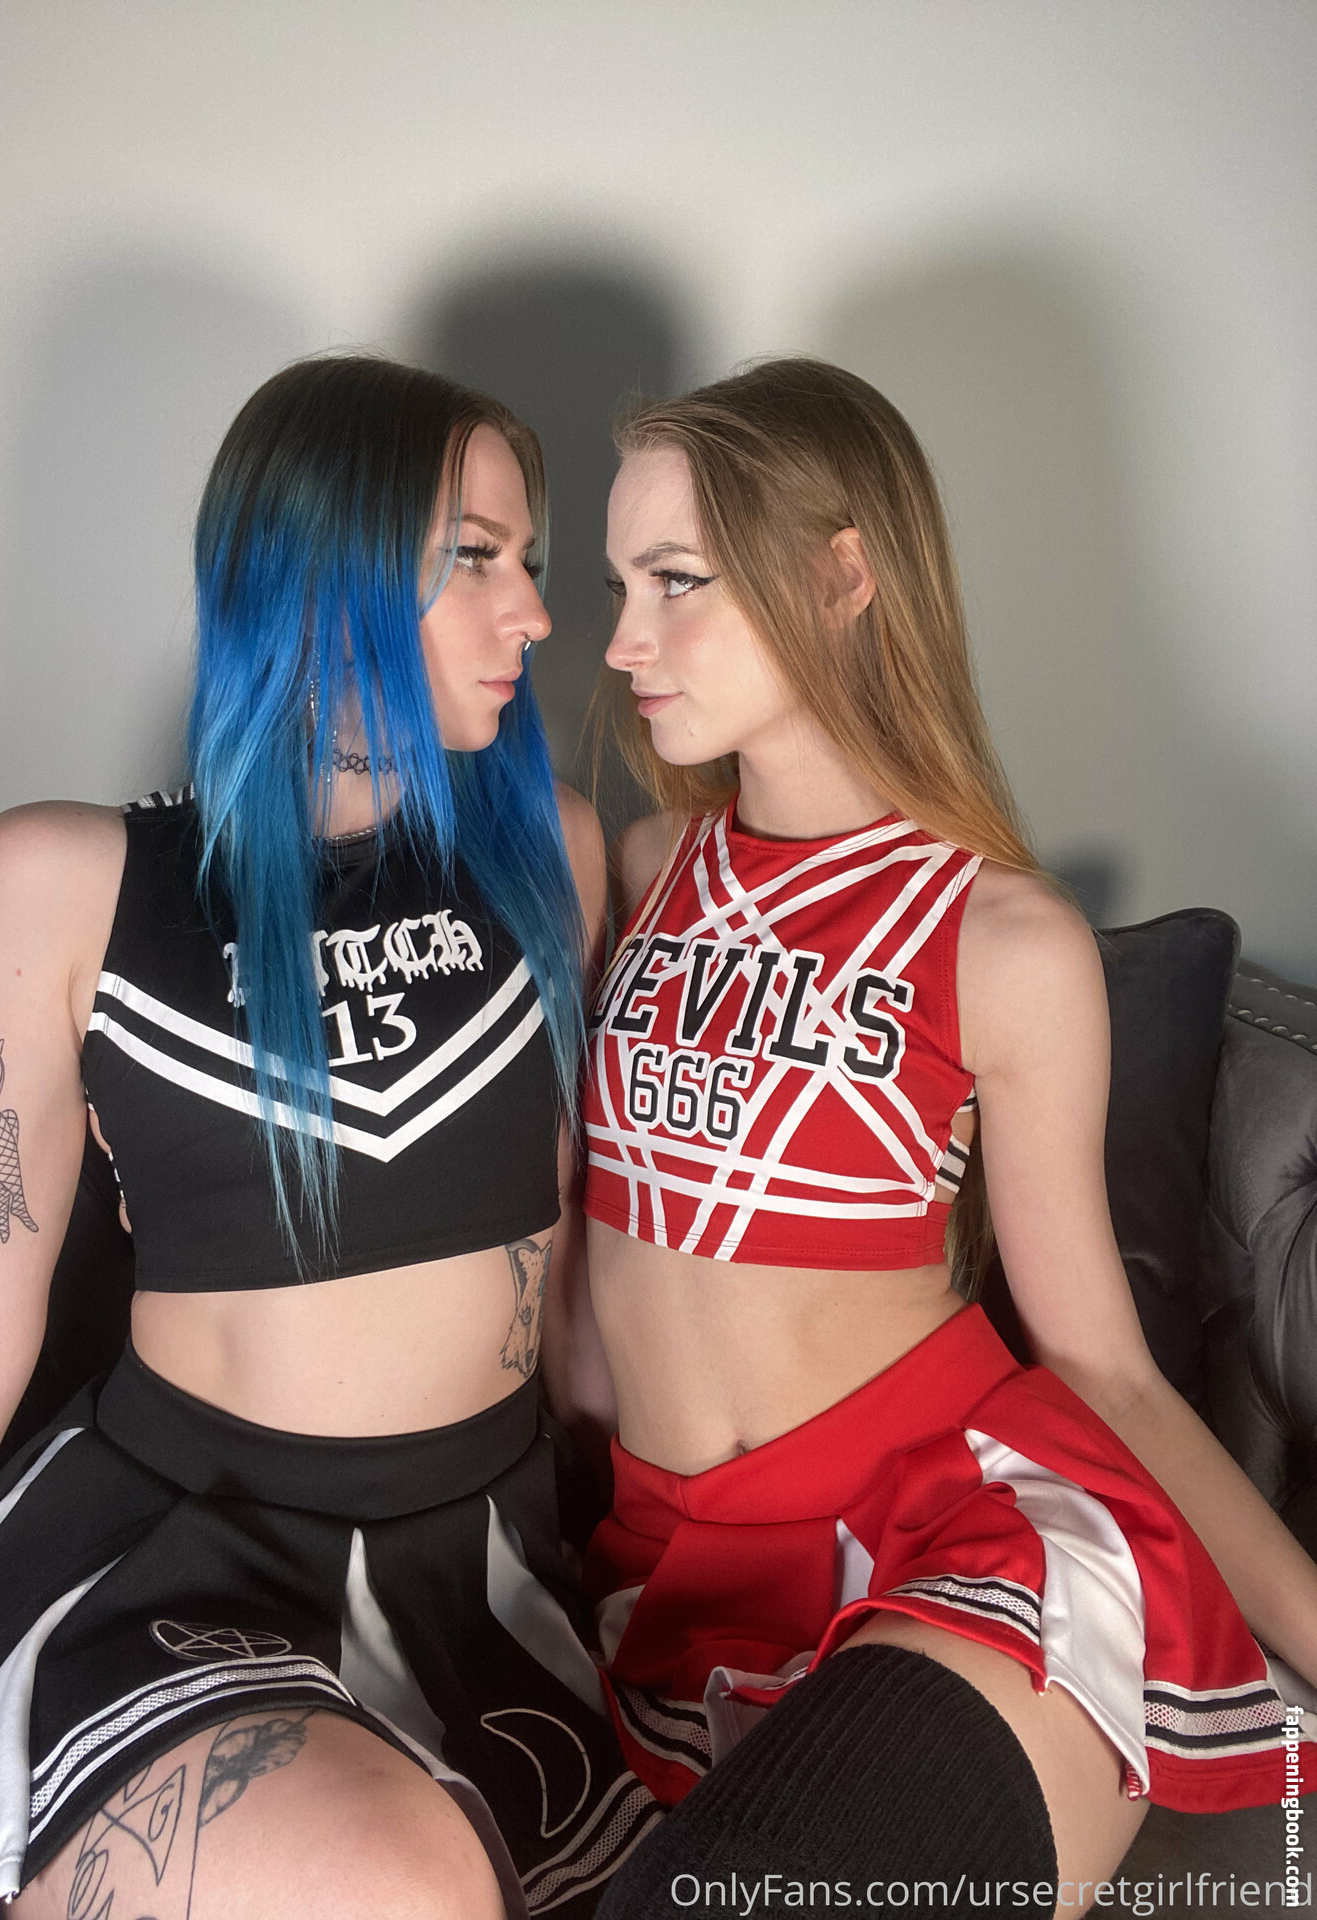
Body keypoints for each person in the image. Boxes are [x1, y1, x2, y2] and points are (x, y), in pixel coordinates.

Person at [0, 354, 659, 1920]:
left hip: (485, 1576)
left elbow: (568, 1274)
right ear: (320, 574)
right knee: (394, 1884)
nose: (535, 614)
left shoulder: (553, 859)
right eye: (476, 558)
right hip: (179, 1567)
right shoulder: (66, 882)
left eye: (530, 560)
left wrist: (665, 1542)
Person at [576, 359, 1317, 1916]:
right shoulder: (640, 870)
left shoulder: (1001, 938)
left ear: (841, 576)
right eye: (618, 587)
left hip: (948, 1536)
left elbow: (1106, 1367)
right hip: (679, 1570)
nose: (624, 640)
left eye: (676, 582)